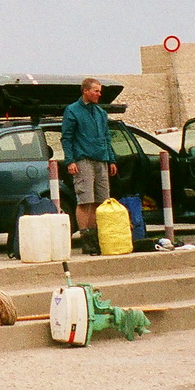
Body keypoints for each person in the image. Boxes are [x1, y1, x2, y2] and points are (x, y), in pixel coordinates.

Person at [62, 77, 118, 256]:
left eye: (100, 91)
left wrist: (111, 159)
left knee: (100, 200)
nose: (99, 94)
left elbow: (106, 137)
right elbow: (67, 138)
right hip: (83, 159)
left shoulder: (100, 112)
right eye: (96, 91)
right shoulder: (72, 110)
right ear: (85, 91)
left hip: (101, 159)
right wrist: (70, 161)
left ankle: (95, 237)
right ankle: (86, 239)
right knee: (85, 200)